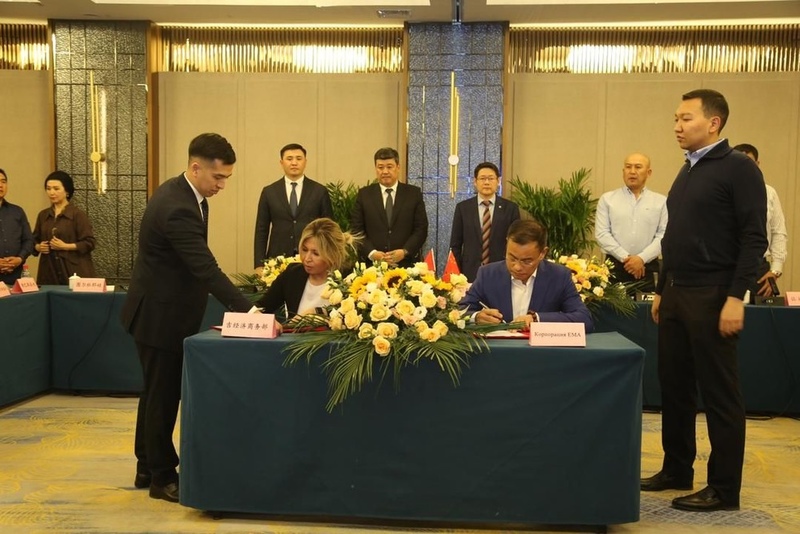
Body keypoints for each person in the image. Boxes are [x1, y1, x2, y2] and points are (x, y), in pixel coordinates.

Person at [643, 89, 767, 512]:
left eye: (686, 118)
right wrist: (662, 290)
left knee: (720, 394)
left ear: (713, 123)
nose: (677, 126)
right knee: (675, 387)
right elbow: (674, 237)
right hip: (677, 293)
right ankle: (677, 468)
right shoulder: (688, 170)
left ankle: (724, 488)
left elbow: (754, 239)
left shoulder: (738, 168)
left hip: (714, 294)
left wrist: (736, 297)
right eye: (675, 119)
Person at [120, 133, 255, 503]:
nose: (222, 185)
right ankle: (162, 477)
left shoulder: (185, 194)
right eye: (218, 177)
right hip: (160, 316)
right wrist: (249, 310)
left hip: (160, 311)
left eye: (226, 178)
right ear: (196, 168)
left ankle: (146, 466)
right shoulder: (177, 207)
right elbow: (205, 268)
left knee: (155, 393)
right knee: (163, 398)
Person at [460, 218, 593, 332]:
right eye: (512, 258)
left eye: (526, 261)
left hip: (540, 352)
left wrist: (536, 319)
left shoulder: (559, 276)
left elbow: (584, 319)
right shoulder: (488, 274)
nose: (517, 267)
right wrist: (476, 317)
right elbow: (459, 312)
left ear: (542, 253)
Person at [257, 217, 357, 321]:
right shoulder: (292, 274)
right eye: (304, 250)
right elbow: (262, 307)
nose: (307, 258)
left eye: (316, 253)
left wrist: (317, 312)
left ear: (332, 255)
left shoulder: (348, 280)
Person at [595, 153, 667, 292]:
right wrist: (627, 258)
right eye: (628, 167)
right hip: (614, 266)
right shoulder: (608, 199)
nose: (632, 171)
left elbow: (664, 235)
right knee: (612, 305)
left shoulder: (661, 201)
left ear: (649, 172)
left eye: (638, 167)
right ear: (623, 171)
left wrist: (641, 259)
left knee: (646, 305)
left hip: (647, 267)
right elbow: (602, 234)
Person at [253, 143, 333, 268]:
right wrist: (259, 264)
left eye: (299, 159)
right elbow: (261, 230)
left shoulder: (319, 191)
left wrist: (329, 259)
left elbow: (328, 228)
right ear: (281, 163)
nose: (294, 163)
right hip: (277, 259)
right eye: (289, 159)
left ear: (305, 162)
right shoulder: (269, 192)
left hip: (312, 257)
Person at [350, 147, 428, 268]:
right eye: (380, 167)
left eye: (389, 167)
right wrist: (372, 253)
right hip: (372, 266)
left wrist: (405, 251)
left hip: (406, 265)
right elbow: (356, 230)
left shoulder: (413, 194)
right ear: (375, 169)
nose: (385, 171)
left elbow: (421, 229)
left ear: (398, 167)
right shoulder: (364, 195)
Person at [732, 143, 787, 301]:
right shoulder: (721, 191)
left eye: (749, 164)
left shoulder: (769, 192)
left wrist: (775, 270)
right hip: (727, 266)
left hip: (758, 269)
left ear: (757, 164)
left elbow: (778, 232)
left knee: (758, 315)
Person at [449, 162, 521, 282]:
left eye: (491, 178)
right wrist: (457, 273)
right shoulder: (463, 208)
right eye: (482, 178)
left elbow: (516, 242)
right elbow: (455, 244)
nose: (486, 182)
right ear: (475, 181)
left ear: (498, 181)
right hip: (469, 272)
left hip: (502, 270)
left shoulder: (510, 208)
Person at [32, 171, 97, 285]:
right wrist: (38, 247)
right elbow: (33, 240)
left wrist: (65, 246)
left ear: (67, 191)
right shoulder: (43, 215)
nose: (52, 192)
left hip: (73, 270)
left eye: (56, 189)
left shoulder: (77, 215)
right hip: (49, 271)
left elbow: (89, 242)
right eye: (48, 189)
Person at [0, 169, 35, 285]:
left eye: (3, 181)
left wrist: (19, 259)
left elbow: (29, 240)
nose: (1, 185)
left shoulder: (17, 212)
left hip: (15, 277)